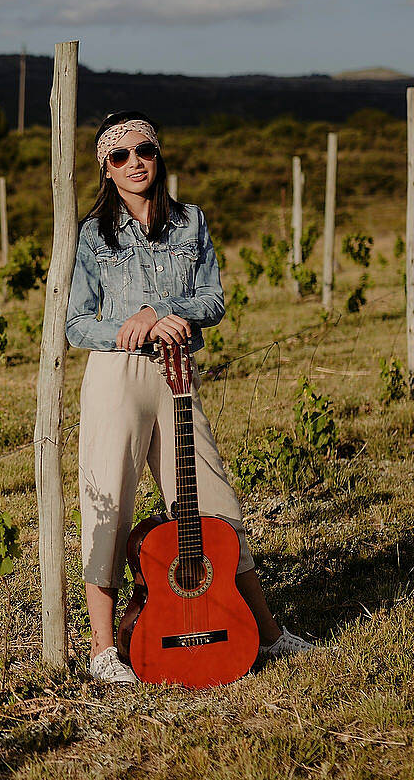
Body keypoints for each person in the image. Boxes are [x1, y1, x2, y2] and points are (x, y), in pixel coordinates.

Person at [66, 110, 315, 685]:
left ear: (159, 155)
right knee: (110, 498)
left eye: (145, 151)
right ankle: (104, 650)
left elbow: (214, 299)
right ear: (105, 167)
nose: (135, 163)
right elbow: (78, 324)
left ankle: (268, 634)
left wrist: (173, 316)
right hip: (118, 376)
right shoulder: (92, 235)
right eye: (120, 156)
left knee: (215, 504)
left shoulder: (190, 222)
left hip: (177, 373)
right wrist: (136, 324)